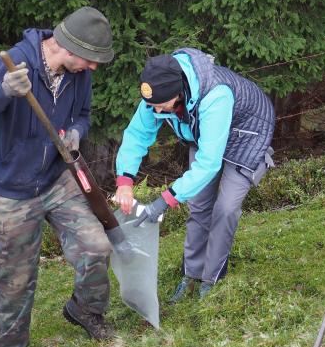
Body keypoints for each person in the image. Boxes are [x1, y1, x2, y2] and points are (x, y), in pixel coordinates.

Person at [0, 6, 116, 347]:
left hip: (56, 179)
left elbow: (83, 115)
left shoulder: (78, 75)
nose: (93, 67)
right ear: (68, 47)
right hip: (12, 190)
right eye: (90, 59)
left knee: (96, 246)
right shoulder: (17, 63)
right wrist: (3, 92)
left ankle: (85, 310)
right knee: (16, 277)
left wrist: (76, 131)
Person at [114, 48, 275, 300]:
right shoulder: (157, 93)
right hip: (204, 133)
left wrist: (166, 199)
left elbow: (208, 164)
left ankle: (211, 280)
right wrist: (124, 181)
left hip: (247, 134)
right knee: (199, 205)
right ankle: (191, 275)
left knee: (226, 208)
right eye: (152, 106)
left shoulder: (215, 95)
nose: (157, 112)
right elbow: (137, 134)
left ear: (177, 92)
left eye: (161, 106)